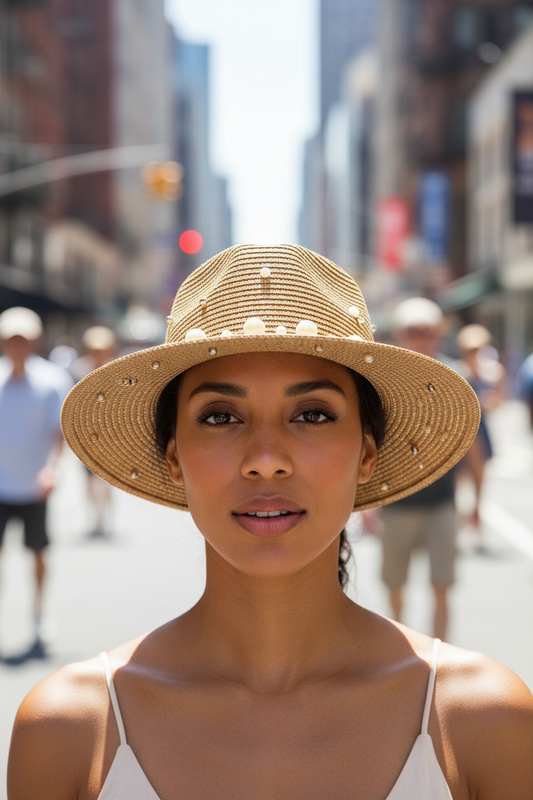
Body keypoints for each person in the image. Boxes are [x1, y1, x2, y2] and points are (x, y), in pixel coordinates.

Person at [8, 246, 533, 799]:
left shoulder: (481, 722)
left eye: (312, 414)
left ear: (366, 455)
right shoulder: (68, 730)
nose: (265, 457)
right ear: (173, 459)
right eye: (220, 416)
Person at [380, 297, 460, 641]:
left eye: (427, 331)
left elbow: (472, 445)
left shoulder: (458, 381)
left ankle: (441, 654)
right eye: (413, 331)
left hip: (442, 501)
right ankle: (402, 648)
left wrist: (475, 501)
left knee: (442, 585)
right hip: (396, 502)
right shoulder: (383, 384)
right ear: (399, 335)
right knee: (395, 585)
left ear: (439, 334)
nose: (421, 338)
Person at [0, 307, 71, 647]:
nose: (16, 346)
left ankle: (39, 614)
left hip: (33, 486)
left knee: (38, 551)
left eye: (22, 340)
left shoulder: (52, 380)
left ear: (33, 342)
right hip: (1, 486)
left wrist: (51, 469)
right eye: (10, 340)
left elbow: (57, 432)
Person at [456, 324, 506, 548]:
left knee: (479, 484)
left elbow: (498, 401)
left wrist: (488, 402)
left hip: (480, 430)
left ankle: (475, 523)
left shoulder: (492, 372)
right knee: (455, 482)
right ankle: (456, 526)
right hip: (461, 431)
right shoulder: (457, 371)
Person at [73, 325, 117, 537]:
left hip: (108, 435)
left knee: (106, 477)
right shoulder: (80, 369)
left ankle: (103, 513)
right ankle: (95, 512)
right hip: (85, 433)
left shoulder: (115, 370)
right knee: (89, 477)